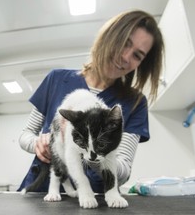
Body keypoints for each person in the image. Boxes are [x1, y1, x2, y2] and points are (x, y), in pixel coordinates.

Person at [17, 10, 164, 193]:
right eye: (124, 43)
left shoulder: (135, 102)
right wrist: (38, 144)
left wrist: (92, 154)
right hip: (41, 194)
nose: (125, 57)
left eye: (137, 56)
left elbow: (123, 170)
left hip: (93, 202)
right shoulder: (56, 79)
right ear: (110, 36)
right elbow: (25, 134)